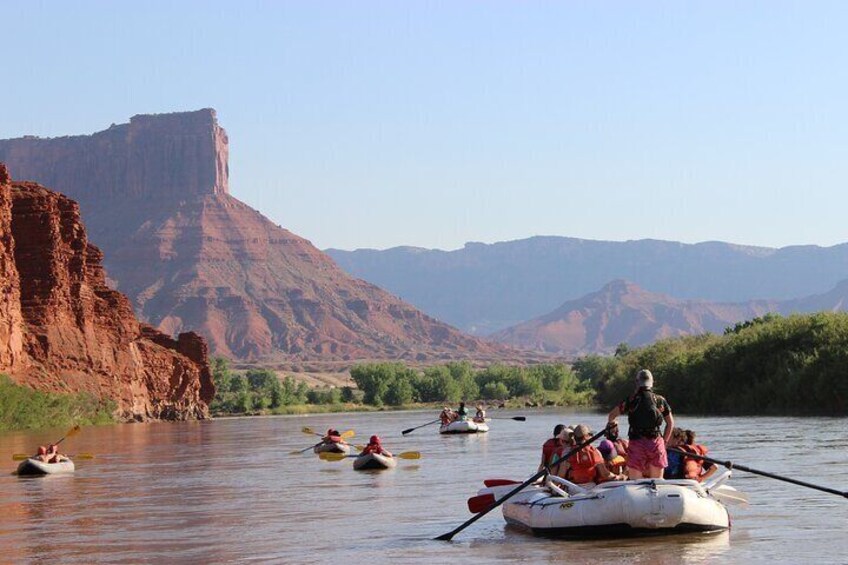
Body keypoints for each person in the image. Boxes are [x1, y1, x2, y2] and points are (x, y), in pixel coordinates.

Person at [607, 369, 674, 479]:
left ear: (637, 382)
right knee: (657, 483)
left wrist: (614, 426)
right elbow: (670, 423)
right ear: (652, 382)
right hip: (656, 443)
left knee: (636, 484)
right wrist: (665, 442)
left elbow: (611, 416)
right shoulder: (660, 400)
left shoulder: (630, 400)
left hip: (636, 443)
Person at [560, 425, 625, 484]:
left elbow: (561, 475)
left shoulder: (567, 452)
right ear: (586, 437)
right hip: (590, 487)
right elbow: (605, 474)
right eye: (590, 435)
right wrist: (619, 477)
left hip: (573, 487)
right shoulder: (594, 452)